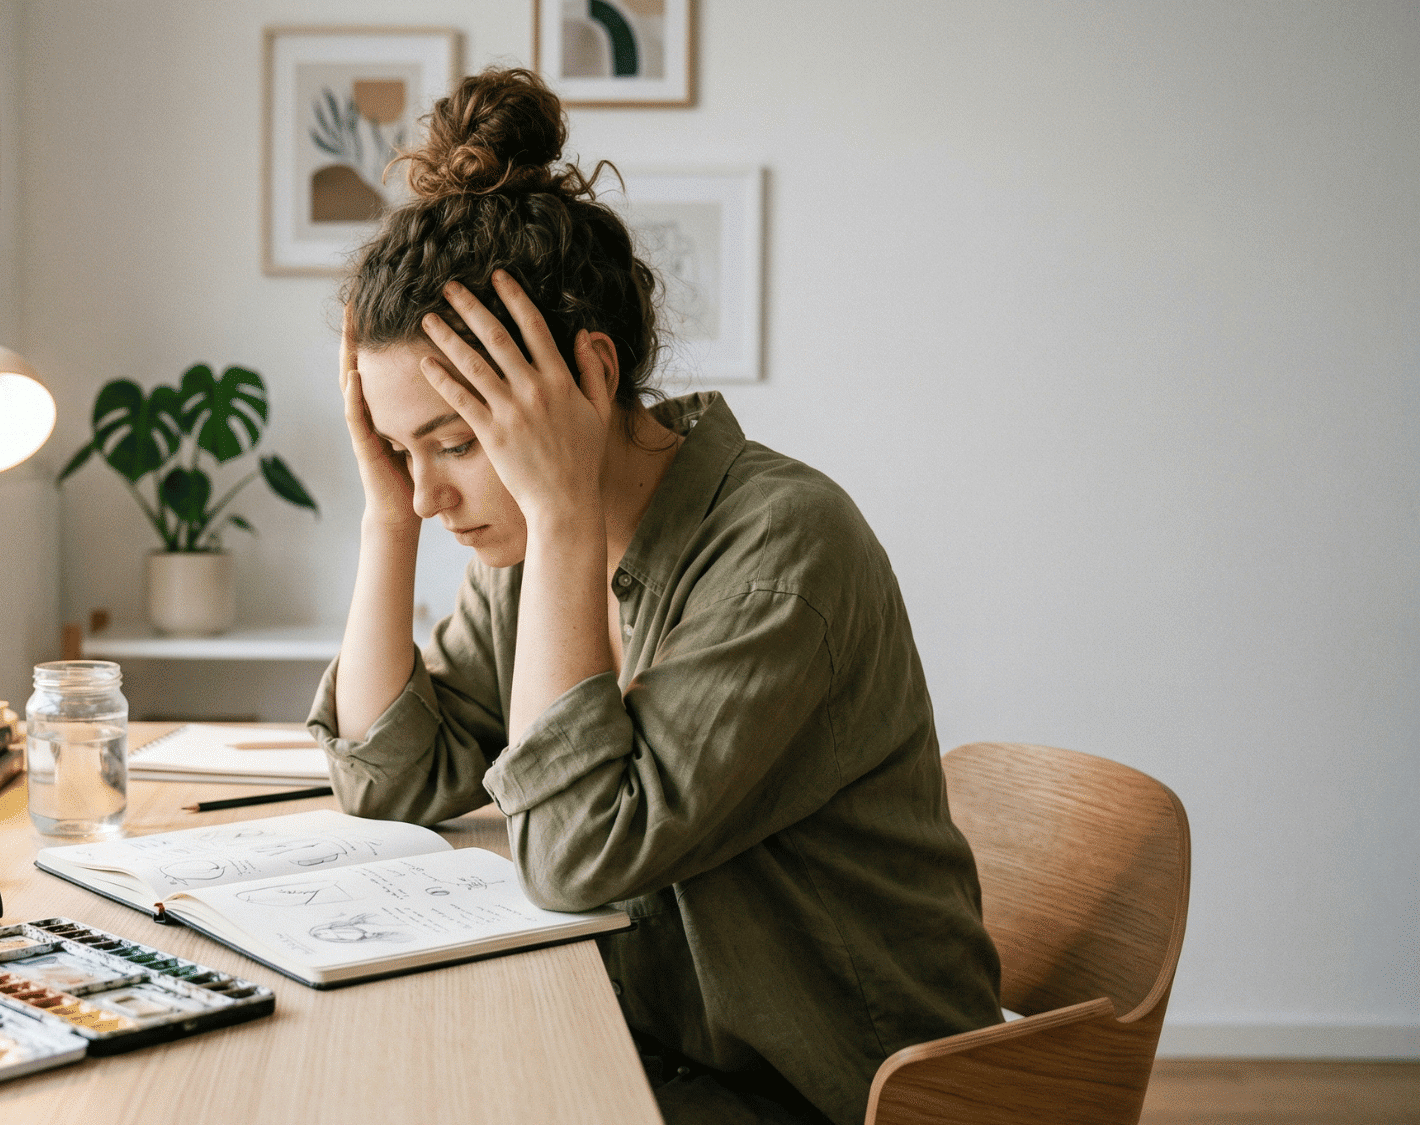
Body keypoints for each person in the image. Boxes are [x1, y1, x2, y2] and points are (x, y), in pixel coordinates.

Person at [306, 68, 1001, 1125]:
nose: (430, 489)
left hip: (827, 1093)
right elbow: (390, 778)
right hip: (654, 1045)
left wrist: (563, 519)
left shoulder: (779, 551)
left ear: (588, 376)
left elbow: (575, 857)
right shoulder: (519, 546)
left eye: (452, 442)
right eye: (399, 451)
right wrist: (384, 519)